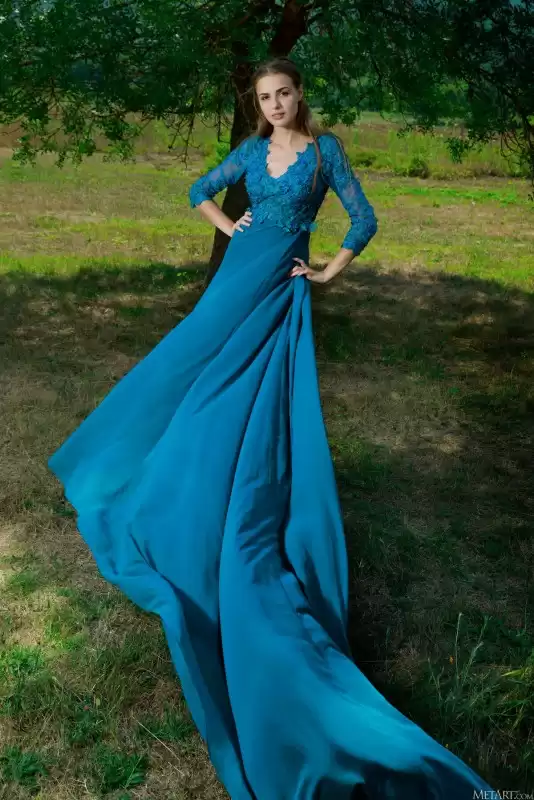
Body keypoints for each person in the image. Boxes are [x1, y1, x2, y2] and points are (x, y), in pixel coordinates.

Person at [48, 57, 495, 799]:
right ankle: (143, 464)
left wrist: (328, 271)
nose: (277, 103)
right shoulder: (252, 153)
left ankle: (229, 479)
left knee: (254, 399)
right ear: (257, 104)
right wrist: (230, 223)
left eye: (284, 93)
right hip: (237, 277)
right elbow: (196, 189)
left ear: (299, 95)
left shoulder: (325, 153)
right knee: (189, 364)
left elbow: (365, 218)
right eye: (265, 96)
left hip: (282, 291)